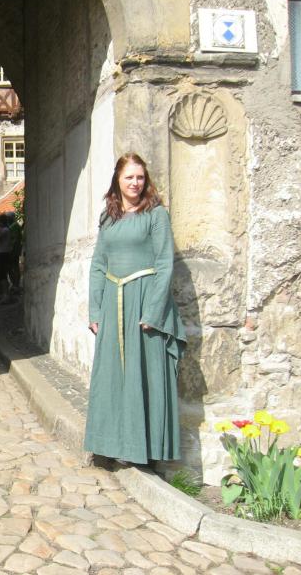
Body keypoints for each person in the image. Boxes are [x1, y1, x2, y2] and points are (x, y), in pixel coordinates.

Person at [84, 152, 186, 465]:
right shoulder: (108, 217)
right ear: (118, 179)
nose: (135, 183)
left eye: (140, 177)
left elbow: (165, 262)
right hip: (112, 302)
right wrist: (95, 310)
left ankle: (144, 451)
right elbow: (98, 264)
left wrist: (153, 311)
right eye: (129, 177)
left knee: (145, 375)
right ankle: (109, 446)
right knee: (111, 376)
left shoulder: (155, 214)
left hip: (144, 301)